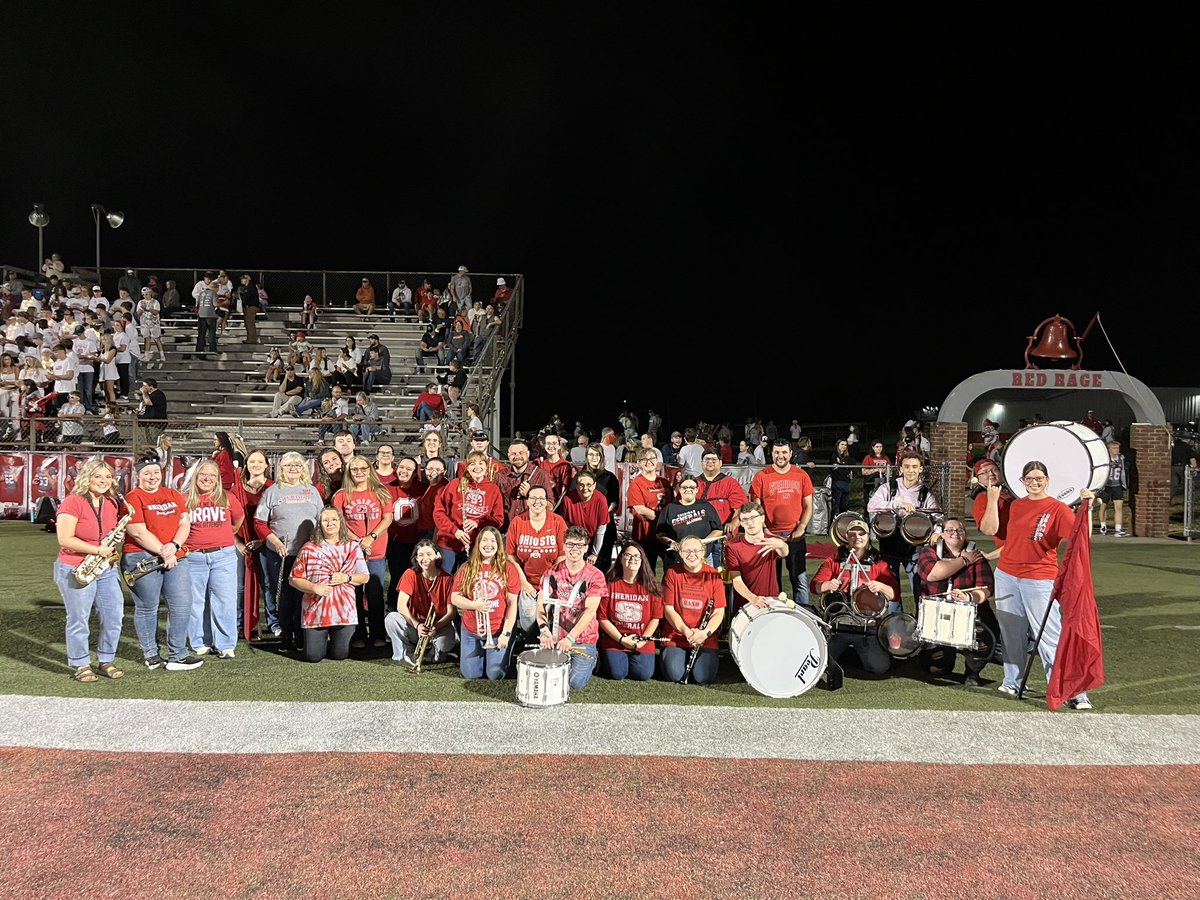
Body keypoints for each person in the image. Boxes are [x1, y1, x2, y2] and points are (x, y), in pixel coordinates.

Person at [982, 460, 1095, 709]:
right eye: (1029, 479)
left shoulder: (1058, 509)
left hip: (1040, 578)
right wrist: (991, 554)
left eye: (1039, 479)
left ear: (1047, 480)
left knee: (1049, 635)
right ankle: (1012, 680)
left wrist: (1088, 508)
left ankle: (1070, 690)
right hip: (1007, 576)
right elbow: (1007, 538)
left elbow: (1081, 536)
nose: (1034, 483)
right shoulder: (1016, 506)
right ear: (1022, 481)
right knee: (1011, 634)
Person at [123, 458, 203, 671]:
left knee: (182, 605)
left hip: (175, 554)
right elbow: (138, 531)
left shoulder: (173, 494)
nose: (152, 477)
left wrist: (174, 546)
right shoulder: (133, 497)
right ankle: (151, 655)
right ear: (138, 475)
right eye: (147, 473)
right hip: (142, 557)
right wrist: (164, 552)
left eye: (156, 472)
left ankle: (178, 654)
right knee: (148, 607)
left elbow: (185, 522)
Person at [52, 460, 128, 682]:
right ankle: (81, 664)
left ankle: (106, 660)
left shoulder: (111, 503)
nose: (104, 481)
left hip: (105, 567)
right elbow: (64, 539)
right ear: (87, 478)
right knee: (79, 618)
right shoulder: (72, 502)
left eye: (107, 477)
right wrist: (97, 549)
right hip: (76, 566)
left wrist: (115, 539)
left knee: (114, 615)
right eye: (98, 477)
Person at [914, 515, 999, 687]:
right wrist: (965, 560)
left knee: (985, 638)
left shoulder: (977, 554)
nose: (955, 533)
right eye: (949, 530)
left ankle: (973, 670)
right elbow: (933, 574)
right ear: (942, 534)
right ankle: (944, 657)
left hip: (969, 613)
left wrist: (969, 597)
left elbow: (986, 588)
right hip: (937, 614)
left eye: (960, 530)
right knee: (935, 670)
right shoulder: (928, 552)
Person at [254, 452, 324, 650]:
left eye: (297, 465)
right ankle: (286, 635)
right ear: (281, 469)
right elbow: (259, 522)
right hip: (280, 552)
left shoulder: (311, 491)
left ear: (303, 468)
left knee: (302, 595)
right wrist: (275, 542)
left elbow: (321, 520)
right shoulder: (272, 491)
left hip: (307, 554)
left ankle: (302, 636)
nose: (293, 469)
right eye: (288, 466)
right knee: (283, 595)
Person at [812, 518, 900, 675]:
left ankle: (859, 651)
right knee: (819, 663)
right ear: (846, 536)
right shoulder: (835, 559)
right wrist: (827, 585)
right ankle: (842, 650)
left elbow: (894, 594)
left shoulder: (879, 563)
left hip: (867, 626)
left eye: (862, 534)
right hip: (837, 626)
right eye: (852, 534)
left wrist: (880, 586)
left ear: (867, 537)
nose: (857, 537)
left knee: (879, 667)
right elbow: (815, 586)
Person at [288, 505, 370, 663]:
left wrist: (346, 578)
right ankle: (318, 640)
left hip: (344, 611)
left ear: (341, 523)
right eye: (325, 520)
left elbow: (364, 577)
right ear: (319, 524)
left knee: (340, 655)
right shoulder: (308, 548)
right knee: (313, 657)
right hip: (315, 611)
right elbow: (294, 578)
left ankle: (335, 641)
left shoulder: (352, 547)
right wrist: (314, 587)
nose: (330, 523)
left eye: (333, 519)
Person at [184, 459, 245, 659]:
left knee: (225, 600)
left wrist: (226, 535)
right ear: (195, 477)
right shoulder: (185, 500)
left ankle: (226, 644)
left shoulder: (227, 498)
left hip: (223, 556)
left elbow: (238, 519)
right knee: (195, 602)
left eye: (212, 475)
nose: (207, 478)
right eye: (203, 474)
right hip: (194, 557)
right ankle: (200, 641)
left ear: (218, 479)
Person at [534, 524, 606, 689]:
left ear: (586, 548)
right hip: (556, 638)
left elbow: (590, 611)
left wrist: (570, 638)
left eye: (580, 545)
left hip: (582, 640)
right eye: (571, 544)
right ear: (564, 546)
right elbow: (541, 606)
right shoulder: (551, 573)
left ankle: (593, 656)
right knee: (548, 681)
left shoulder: (595, 575)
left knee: (573, 684)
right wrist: (544, 630)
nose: (575, 549)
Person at [332, 455, 394, 648]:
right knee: (354, 593)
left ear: (370, 470)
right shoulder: (341, 495)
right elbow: (338, 522)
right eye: (354, 469)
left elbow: (387, 518)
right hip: (352, 551)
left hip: (375, 550)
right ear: (349, 472)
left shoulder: (381, 492)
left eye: (363, 468)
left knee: (375, 593)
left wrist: (371, 537)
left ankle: (378, 634)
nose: (359, 472)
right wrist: (356, 540)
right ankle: (357, 634)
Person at [866, 449, 943, 600]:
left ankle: (919, 619)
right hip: (890, 543)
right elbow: (871, 505)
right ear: (900, 469)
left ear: (921, 469)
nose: (911, 470)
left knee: (919, 589)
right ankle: (895, 621)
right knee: (891, 589)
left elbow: (937, 516)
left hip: (914, 547)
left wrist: (937, 531)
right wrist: (897, 504)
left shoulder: (926, 494)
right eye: (907, 466)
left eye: (915, 467)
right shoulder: (888, 488)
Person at [750, 437, 814, 606]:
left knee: (799, 578)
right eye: (777, 452)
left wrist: (801, 527)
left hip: (794, 535)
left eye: (784, 452)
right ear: (771, 453)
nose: (781, 456)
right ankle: (775, 615)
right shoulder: (761, 476)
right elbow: (756, 508)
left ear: (791, 453)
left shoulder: (801, 475)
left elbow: (808, 505)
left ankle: (804, 615)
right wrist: (764, 528)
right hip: (770, 536)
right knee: (772, 581)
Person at [451, 525, 519, 680]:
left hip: (498, 631)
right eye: (485, 540)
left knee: (495, 675)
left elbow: (512, 603)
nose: (488, 545)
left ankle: (504, 652)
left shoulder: (508, 568)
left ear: (499, 545)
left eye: (493, 541)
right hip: (471, 630)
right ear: (478, 543)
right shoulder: (467, 568)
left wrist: (506, 634)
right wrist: (475, 605)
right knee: (471, 675)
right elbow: (455, 598)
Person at [660, 534, 725, 684]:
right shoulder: (672, 573)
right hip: (677, 635)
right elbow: (668, 608)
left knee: (703, 677)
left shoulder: (713, 575)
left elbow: (718, 611)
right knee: (674, 675)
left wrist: (704, 633)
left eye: (696, 551)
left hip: (704, 637)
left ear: (703, 552)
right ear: (680, 553)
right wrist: (687, 631)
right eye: (687, 551)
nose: (692, 555)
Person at [225, 447, 273, 638]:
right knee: (239, 586)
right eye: (252, 461)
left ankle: (273, 621)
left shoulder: (272, 488)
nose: (256, 465)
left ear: (267, 465)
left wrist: (263, 540)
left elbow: (278, 519)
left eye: (260, 461)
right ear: (246, 465)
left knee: (268, 583)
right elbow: (227, 520)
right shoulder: (236, 490)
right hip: (241, 543)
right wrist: (238, 543)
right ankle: (239, 622)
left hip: (266, 542)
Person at [598, 541, 663, 681]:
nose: (632, 559)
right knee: (617, 674)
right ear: (621, 558)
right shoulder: (609, 585)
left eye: (637, 556)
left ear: (642, 560)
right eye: (628, 555)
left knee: (643, 675)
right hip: (615, 639)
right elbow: (602, 618)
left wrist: (643, 640)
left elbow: (655, 618)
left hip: (641, 640)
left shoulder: (651, 587)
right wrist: (621, 639)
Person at [385, 539, 457, 665]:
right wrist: (417, 625)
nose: (425, 558)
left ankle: (432, 650)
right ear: (416, 558)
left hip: (438, 627)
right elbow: (401, 606)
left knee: (439, 654)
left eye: (429, 554)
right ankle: (403, 652)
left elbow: (451, 613)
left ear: (437, 555)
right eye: (421, 555)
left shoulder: (448, 579)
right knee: (391, 618)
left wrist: (434, 627)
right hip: (415, 625)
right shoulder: (410, 573)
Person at [434, 450, 505, 574]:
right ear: (467, 467)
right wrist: (455, 531)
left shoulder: (493, 489)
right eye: (472, 464)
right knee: (445, 582)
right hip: (449, 543)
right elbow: (439, 513)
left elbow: (498, 520)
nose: (477, 467)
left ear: (486, 466)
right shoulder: (455, 484)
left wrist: (478, 522)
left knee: (470, 584)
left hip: (477, 546)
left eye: (481, 463)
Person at [724, 499, 789, 617]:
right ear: (741, 524)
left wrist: (781, 545)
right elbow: (736, 580)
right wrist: (753, 598)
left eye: (753, 518)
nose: (750, 523)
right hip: (745, 605)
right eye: (745, 519)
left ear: (762, 518)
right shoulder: (732, 547)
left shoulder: (772, 541)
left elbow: (784, 552)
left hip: (771, 601)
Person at [384, 455, 427, 607]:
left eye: (409, 469)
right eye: (401, 467)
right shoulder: (388, 488)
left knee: (419, 577)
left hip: (417, 541)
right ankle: (393, 608)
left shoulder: (423, 489)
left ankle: (417, 609)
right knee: (397, 576)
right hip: (396, 541)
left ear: (415, 473)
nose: (404, 471)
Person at [655, 474, 724, 569]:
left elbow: (718, 530)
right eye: (684, 487)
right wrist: (671, 542)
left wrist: (701, 543)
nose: (688, 490)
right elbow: (660, 533)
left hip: (703, 558)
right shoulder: (669, 509)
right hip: (677, 559)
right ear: (679, 489)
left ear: (696, 490)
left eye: (692, 487)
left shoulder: (706, 506)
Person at [626, 448, 674, 576]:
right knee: (648, 572)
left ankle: (667, 595)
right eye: (644, 460)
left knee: (671, 568)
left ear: (657, 460)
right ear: (639, 463)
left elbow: (673, 505)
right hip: (646, 534)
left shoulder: (664, 481)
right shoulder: (637, 483)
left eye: (652, 458)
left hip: (665, 533)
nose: (649, 462)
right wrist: (662, 518)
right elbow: (640, 508)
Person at [495, 438, 557, 528]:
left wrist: (530, 494)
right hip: (506, 529)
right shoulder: (500, 476)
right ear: (508, 455)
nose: (517, 456)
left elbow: (550, 507)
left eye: (521, 453)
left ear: (528, 454)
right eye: (513, 454)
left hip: (531, 528)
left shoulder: (540, 475)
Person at [559, 469, 613, 571]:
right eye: (581, 484)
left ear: (594, 485)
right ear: (576, 485)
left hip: (594, 540)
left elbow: (600, 531)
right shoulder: (568, 499)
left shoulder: (601, 500)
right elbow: (565, 527)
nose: (585, 488)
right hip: (575, 539)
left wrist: (594, 554)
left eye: (589, 485)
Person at [971, 457, 1011, 561]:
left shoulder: (1015, 492)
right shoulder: (983, 498)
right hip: (1011, 557)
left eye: (994, 470)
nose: (991, 474)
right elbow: (989, 529)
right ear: (977, 478)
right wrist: (992, 500)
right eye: (984, 472)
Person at [1095, 440, 1129, 536]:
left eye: (1117, 448)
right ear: (1109, 449)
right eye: (1114, 448)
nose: (1116, 450)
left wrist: (1124, 484)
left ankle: (1118, 529)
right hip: (1106, 485)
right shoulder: (1105, 458)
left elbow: (1123, 471)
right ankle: (1103, 526)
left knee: (1118, 507)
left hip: (1117, 485)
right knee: (1103, 506)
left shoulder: (1121, 458)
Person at [537, 432, 574, 501]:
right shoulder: (540, 464)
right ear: (544, 446)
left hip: (559, 503)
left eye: (554, 443)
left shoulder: (565, 465)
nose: (551, 446)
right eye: (548, 443)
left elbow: (564, 490)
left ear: (559, 446)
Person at [192, 270, 219, 354]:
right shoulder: (213, 293)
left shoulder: (201, 293)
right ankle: (212, 349)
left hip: (201, 314)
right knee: (211, 333)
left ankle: (199, 349)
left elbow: (199, 303)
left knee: (201, 333)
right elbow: (215, 304)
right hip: (210, 315)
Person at [829, 439, 855, 515]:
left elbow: (850, 468)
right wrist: (843, 467)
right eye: (842, 444)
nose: (844, 446)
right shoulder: (834, 456)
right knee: (836, 504)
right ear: (838, 445)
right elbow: (834, 468)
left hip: (846, 483)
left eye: (845, 445)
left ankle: (843, 520)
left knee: (844, 505)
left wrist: (840, 466)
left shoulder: (848, 457)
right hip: (837, 482)